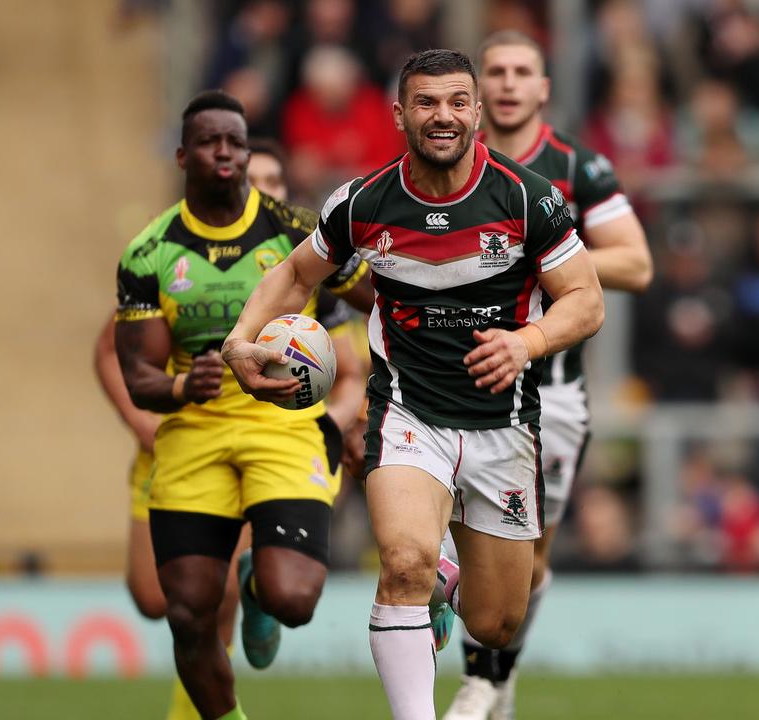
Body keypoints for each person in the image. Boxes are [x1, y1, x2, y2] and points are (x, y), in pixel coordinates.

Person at [223, 50, 605, 720]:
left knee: (495, 623)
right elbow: (293, 275)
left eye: (458, 101)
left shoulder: (525, 197)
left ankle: (445, 580)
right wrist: (239, 339)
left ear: (478, 113)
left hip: (503, 427)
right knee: (401, 561)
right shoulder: (362, 202)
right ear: (399, 114)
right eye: (426, 103)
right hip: (407, 413)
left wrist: (527, 341)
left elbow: (586, 300)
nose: (443, 116)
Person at [112, 90, 369, 720]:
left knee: (294, 598)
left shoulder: (297, 231)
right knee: (187, 613)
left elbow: (377, 297)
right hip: (193, 432)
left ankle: (257, 582)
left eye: (235, 140)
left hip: (284, 427)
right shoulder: (149, 254)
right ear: (181, 155)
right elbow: (136, 372)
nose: (224, 151)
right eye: (209, 141)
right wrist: (179, 388)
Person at [443, 31, 653, 719]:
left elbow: (636, 263)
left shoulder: (577, 166)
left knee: (528, 555)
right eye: (494, 71)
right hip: (452, 383)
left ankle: (493, 675)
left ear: (543, 89)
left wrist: (550, 247)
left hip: (552, 390)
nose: (506, 83)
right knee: (445, 542)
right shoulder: (444, 164)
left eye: (520, 72)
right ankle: (479, 676)